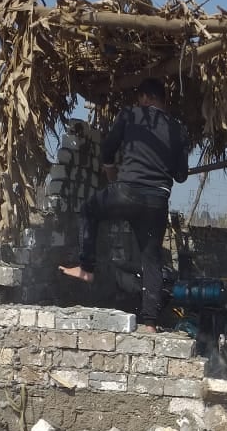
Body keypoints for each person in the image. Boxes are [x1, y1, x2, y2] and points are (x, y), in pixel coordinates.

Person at [59, 78, 189, 332]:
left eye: (140, 98)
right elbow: (181, 175)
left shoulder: (130, 115)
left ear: (146, 98)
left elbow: (108, 150)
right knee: (151, 258)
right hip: (157, 201)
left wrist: (111, 175)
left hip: (127, 192)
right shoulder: (178, 130)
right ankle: (149, 323)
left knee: (89, 210)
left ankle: (86, 268)